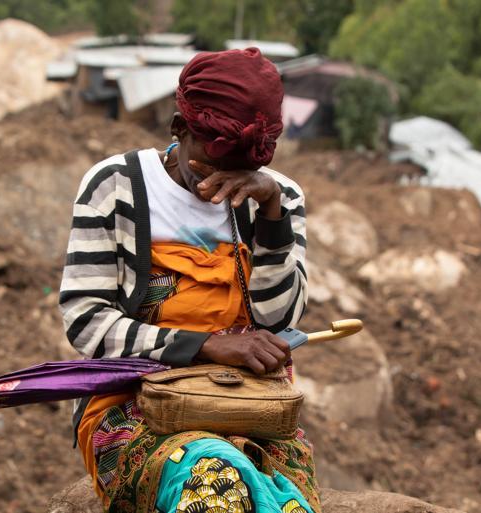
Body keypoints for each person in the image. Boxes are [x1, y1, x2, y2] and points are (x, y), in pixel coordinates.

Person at [59, 48, 314, 513]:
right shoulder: (114, 187)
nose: (225, 178)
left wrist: (273, 214)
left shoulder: (279, 195)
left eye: (243, 167)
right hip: (136, 403)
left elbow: (278, 320)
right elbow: (87, 325)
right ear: (179, 128)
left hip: (250, 405)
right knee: (213, 486)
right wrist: (205, 344)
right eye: (212, 160)